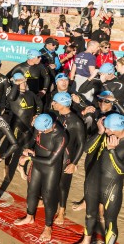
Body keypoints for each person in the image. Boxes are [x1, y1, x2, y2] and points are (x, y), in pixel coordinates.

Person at [15, 114, 67, 243]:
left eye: (42, 130)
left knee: (48, 198)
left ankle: (48, 227)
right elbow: (34, 139)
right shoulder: (40, 126)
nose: (40, 132)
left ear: (51, 126)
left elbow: (50, 161)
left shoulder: (61, 136)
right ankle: (29, 216)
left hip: (51, 169)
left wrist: (29, 158)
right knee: (31, 191)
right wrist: (29, 149)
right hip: (37, 165)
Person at [80, 114, 124, 244]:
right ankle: (86, 241)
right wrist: (99, 132)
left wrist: (112, 151)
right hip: (93, 181)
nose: (107, 131)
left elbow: (122, 170)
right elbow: (86, 149)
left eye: (109, 129)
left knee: (110, 221)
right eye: (105, 128)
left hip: (111, 186)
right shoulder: (105, 134)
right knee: (89, 214)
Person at [52, 92, 85, 225]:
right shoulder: (57, 116)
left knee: (62, 185)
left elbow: (82, 144)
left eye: (55, 102)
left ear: (62, 104)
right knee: (51, 181)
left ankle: (61, 211)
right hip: (55, 154)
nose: (53, 103)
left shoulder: (76, 121)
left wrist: (74, 163)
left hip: (67, 156)